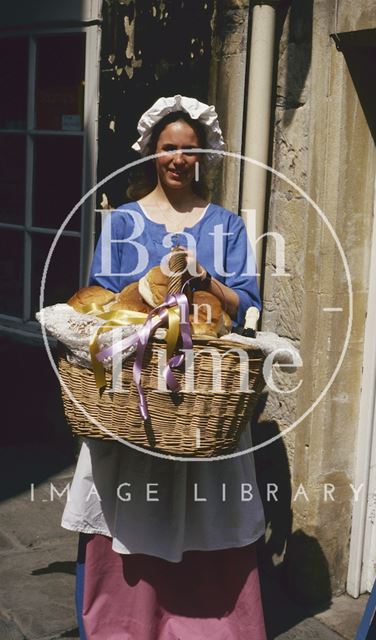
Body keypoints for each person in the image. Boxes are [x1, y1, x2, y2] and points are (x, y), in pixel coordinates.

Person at [62, 95, 268, 639]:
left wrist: (207, 281)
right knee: (131, 505)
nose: (178, 158)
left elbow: (249, 306)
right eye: (168, 148)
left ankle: (207, 626)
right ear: (152, 153)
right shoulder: (123, 222)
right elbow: (101, 304)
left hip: (204, 401)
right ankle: (124, 622)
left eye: (188, 149)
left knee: (206, 508)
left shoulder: (226, 225)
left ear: (203, 155)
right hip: (137, 394)